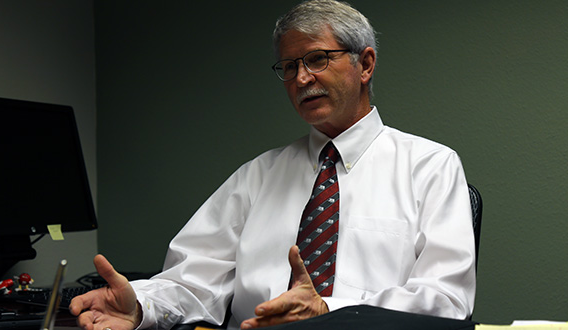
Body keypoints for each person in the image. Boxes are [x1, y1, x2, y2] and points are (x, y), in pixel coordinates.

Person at [69, 1, 476, 329]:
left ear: (365, 64)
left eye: (317, 59)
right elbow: (193, 282)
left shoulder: (430, 167)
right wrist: (140, 307)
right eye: (289, 66)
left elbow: (445, 301)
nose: (301, 79)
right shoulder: (257, 177)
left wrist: (330, 312)